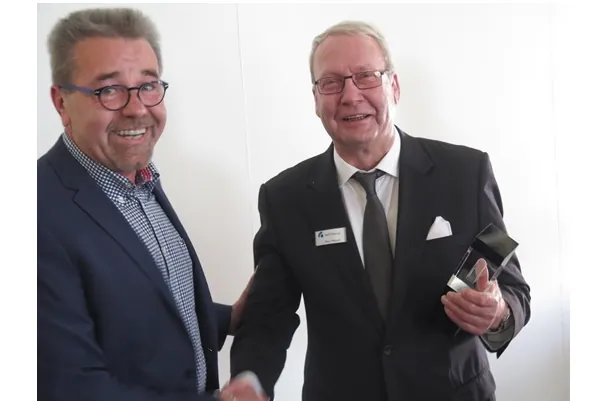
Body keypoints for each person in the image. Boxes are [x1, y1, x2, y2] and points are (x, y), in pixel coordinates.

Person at [229, 20, 531, 401]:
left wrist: (497, 314)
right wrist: (250, 380)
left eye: (366, 77)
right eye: (331, 82)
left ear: (395, 86)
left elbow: (514, 289)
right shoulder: (286, 199)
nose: (350, 95)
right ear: (316, 98)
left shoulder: (466, 175)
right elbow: (267, 315)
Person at [37, 8, 265, 401]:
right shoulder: (34, 212)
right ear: (61, 103)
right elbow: (72, 386)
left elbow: (132, 301)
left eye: (148, 85)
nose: (137, 108)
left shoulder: (140, 179)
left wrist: (226, 318)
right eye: (109, 90)